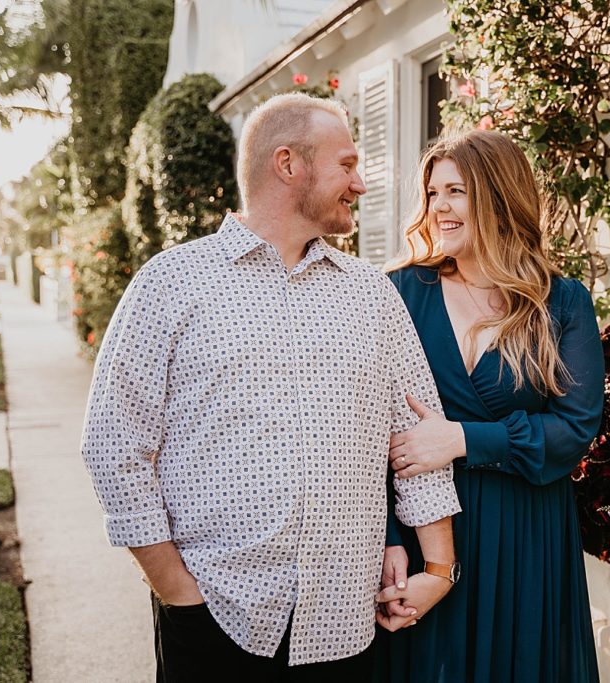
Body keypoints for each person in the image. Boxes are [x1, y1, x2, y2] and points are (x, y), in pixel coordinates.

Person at [81, 93, 461, 682]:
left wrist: (439, 569)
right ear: (288, 164)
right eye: (347, 164)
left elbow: (417, 436)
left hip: (344, 625)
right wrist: (176, 590)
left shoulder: (372, 294)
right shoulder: (171, 283)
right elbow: (114, 443)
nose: (359, 184)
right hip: (214, 619)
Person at [377, 130, 605, 682]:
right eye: (432, 194)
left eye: (455, 191)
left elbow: (575, 426)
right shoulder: (397, 292)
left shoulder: (561, 301)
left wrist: (461, 439)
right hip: (423, 528)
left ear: (498, 196)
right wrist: (385, 536)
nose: (438, 209)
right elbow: (359, 431)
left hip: (526, 529)